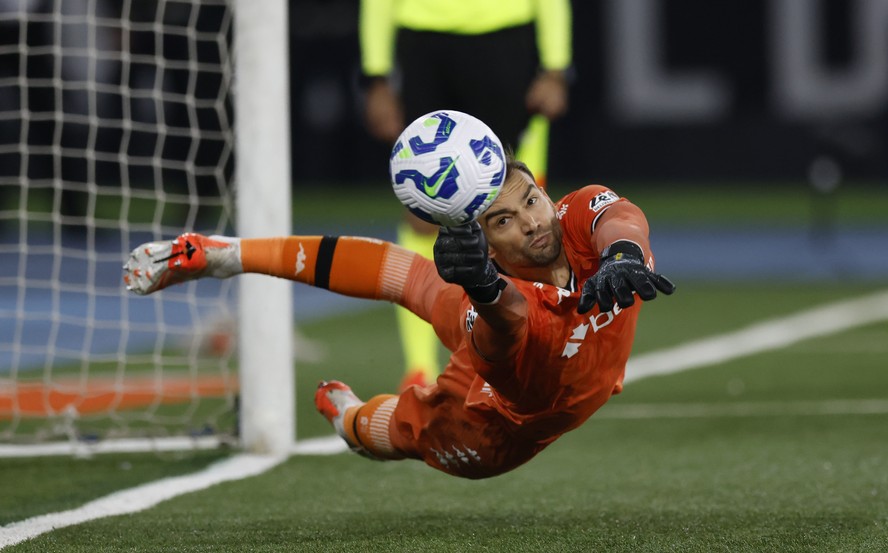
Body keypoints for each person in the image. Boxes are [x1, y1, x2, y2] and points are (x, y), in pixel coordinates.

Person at [124, 157, 674, 479]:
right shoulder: (478, 306)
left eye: (530, 200)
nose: (531, 222)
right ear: (483, 244)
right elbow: (509, 317)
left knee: (407, 277)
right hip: (496, 429)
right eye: (503, 220)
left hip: (567, 372)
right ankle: (352, 422)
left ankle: (226, 255)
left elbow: (621, 217)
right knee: (385, 433)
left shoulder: (577, 216)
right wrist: (482, 286)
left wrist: (622, 254)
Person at [360, 0, 573, 391]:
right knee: (423, 217)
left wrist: (556, 67)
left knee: (519, 211)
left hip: (506, 39)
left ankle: (537, 352)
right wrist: (375, 77)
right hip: (423, 42)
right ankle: (421, 369)